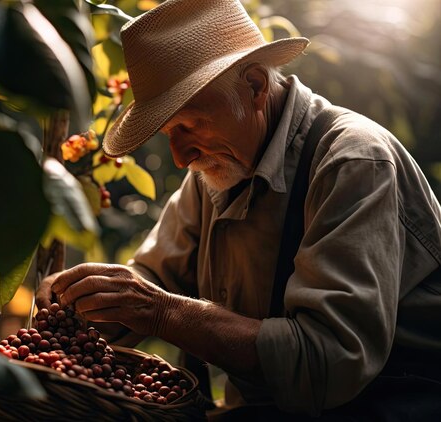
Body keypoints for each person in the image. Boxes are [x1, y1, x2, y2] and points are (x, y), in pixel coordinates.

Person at [37, 0, 441, 419]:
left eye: (189, 125)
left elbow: (328, 363)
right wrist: (83, 304)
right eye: (169, 132)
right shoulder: (217, 168)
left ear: (254, 86)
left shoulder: (352, 163)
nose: (179, 156)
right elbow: (155, 276)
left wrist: (163, 312)